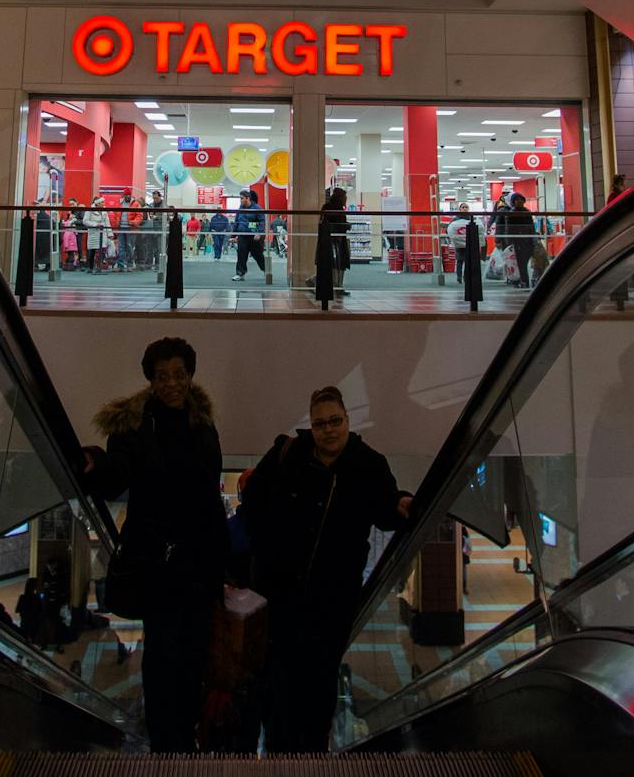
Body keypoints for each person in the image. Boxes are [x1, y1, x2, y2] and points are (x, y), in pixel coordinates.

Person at [243, 385, 414, 752]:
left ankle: (312, 757)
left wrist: (401, 504)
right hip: (281, 596)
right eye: (320, 424)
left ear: (348, 421)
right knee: (280, 685)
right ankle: (280, 757)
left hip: (331, 601)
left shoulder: (368, 464)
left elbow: (386, 508)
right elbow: (253, 502)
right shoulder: (288, 455)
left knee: (319, 685)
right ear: (312, 426)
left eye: (335, 421)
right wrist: (264, 550)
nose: (329, 430)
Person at [80, 337, 228, 751]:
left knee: (196, 657)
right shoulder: (136, 425)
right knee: (163, 658)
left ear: (190, 375)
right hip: (160, 568)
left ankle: (188, 738)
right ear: (150, 379)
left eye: (179, 375)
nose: (172, 384)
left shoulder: (203, 421)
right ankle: (169, 748)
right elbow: (118, 471)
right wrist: (95, 463)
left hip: (199, 564)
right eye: (162, 376)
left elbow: (208, 493)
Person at [318, 188, 351, 306]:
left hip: (330, 240)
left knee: (334, 264)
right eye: (344, 197)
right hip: (336, 241)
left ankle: (337, 287)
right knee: (337, 264)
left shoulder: (327, 207)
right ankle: (336, 287)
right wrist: (346, 226)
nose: (346, 199)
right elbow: (335, 225)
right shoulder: (336, 209)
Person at [233, 188, 271, 280]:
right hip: (243, 236)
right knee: (241, 254)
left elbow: (262, 221)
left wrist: (258, 232)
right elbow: (236, 222)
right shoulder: (240, 208)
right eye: (240, 198)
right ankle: (240, 273)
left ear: (248, 198)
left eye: (242, 198)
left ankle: (266, 270)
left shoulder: (257, 208)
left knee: (258, 255)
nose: (240, 200)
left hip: (254, 237)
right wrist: (233, 236)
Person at [502, 193, 538, 288]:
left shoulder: (527, 212)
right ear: (513, 202)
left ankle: (523, 281)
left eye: (521, 199)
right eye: (517, 200)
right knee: (520, 263)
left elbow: (531, 227)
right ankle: (523, 281)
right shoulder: (511, 213)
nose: (519, 201)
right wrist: (509, 242)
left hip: (527, 241)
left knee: (523, 263)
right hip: (517, 241)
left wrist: (534, 239)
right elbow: (508, 229)